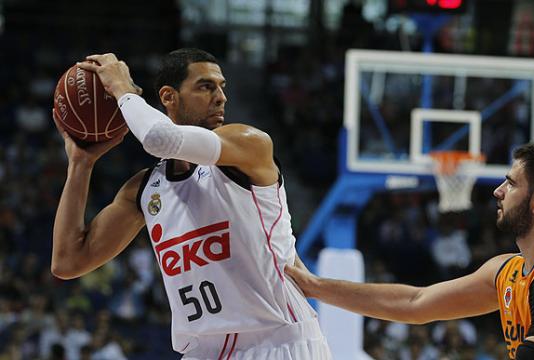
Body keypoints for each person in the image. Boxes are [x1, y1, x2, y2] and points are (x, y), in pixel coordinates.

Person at [51, 49, 331, 360]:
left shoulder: (250, 145)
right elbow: (67, 262)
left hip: (278, 344)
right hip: (202, 351)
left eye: (221, 86)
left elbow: (160, 138)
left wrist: (122, 89)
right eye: (206, 86)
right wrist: (80, 165)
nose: (221, 97)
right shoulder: (144, 189)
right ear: (169, 97)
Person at [285, 142, 534, 359]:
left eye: (511, 183)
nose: (498, 191)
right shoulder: (508, 271)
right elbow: (415, 303)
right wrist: (315, 287)